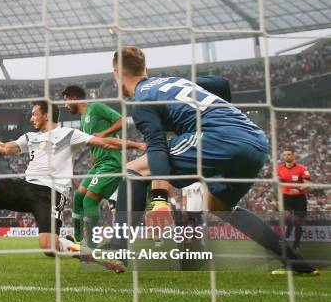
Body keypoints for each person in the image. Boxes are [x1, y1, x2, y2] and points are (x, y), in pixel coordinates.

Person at [112, 45, 318, 275]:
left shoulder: (142, 101)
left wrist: (160, 200)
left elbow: (157, 148)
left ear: (117, 73)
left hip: (220, 138)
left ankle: (118, 252)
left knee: (133, 170)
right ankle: (294, 262)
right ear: (145, 68)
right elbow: (220, 83)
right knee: (219, 206)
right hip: (256, 142)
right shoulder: (175, 82)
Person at [0, 100, 144, 263]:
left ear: (46, 115)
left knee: (48, 248)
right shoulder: (31, 136)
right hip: (25, 186)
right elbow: (7, 149)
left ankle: (86, 252)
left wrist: (135, 145)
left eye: (34, 114)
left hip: (50, 194)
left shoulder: (69, 134)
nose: (31, 118)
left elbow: (106, 143)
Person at [62, 84, 145, 248]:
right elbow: (92, 142)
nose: (65, 106)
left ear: (75, 98)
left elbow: (122, 120)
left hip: (111, 161)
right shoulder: (83, 120)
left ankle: (91, 245)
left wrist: (104, 134)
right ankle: (78, 238)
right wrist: (92, 159)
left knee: (89, 200)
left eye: (66, 101)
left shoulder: (96, 107)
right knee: (78, 197)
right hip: (99, 164)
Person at [277, 147, 310, 250]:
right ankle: (289, 226)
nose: (286, 156)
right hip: (286, 196)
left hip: (299, 197)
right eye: (285, 155)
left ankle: (296, 243)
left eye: (289, 154)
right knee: (285, 216)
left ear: (293, 155)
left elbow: (308, 183)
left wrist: (298, 190)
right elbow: (278, 182)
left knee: (298, 222)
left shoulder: (302, 168)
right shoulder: (279, 168)